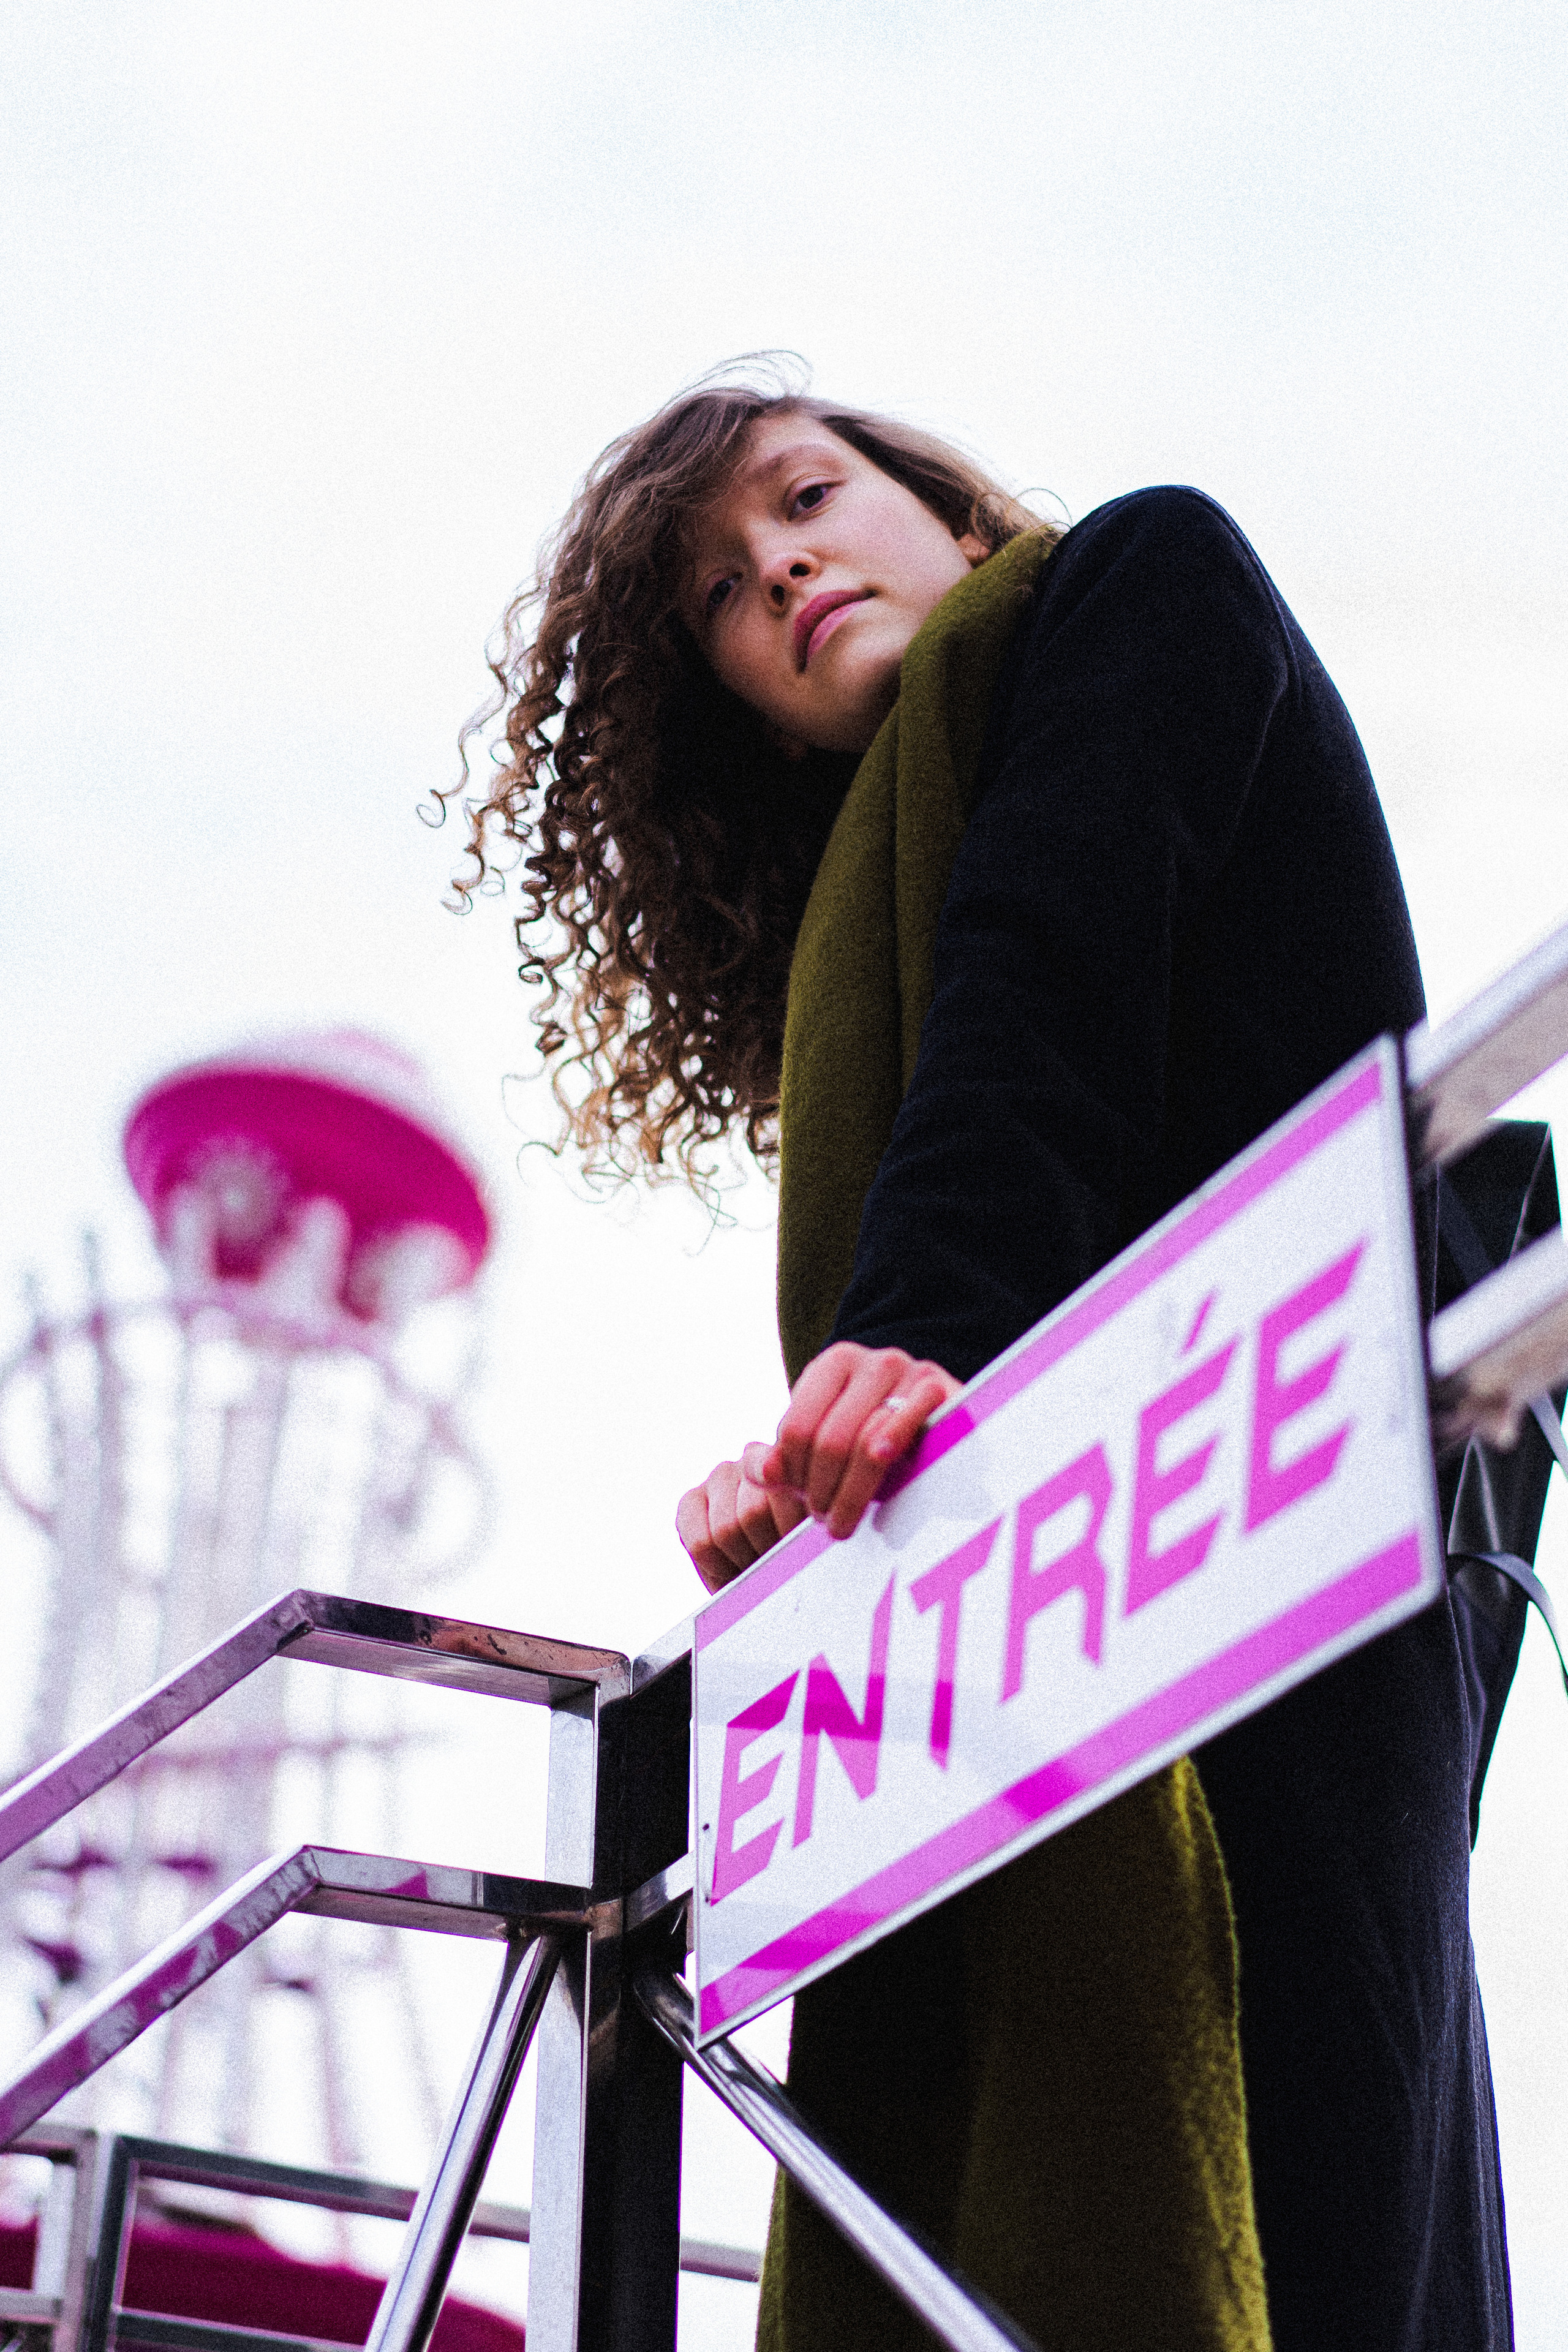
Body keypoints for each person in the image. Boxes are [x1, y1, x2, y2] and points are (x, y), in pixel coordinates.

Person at [451, 361, 1511, 2351]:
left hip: (1278, 1514)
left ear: (938, 508)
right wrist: (814, 1496)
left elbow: (1062, 954)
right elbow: (1002, 1066)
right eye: (713, 594)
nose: (777, 567)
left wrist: (908, 1333)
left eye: (807, 495)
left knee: (1330, 2174)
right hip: (1083, 1594)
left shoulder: (1142, 582)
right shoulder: (890, 869)